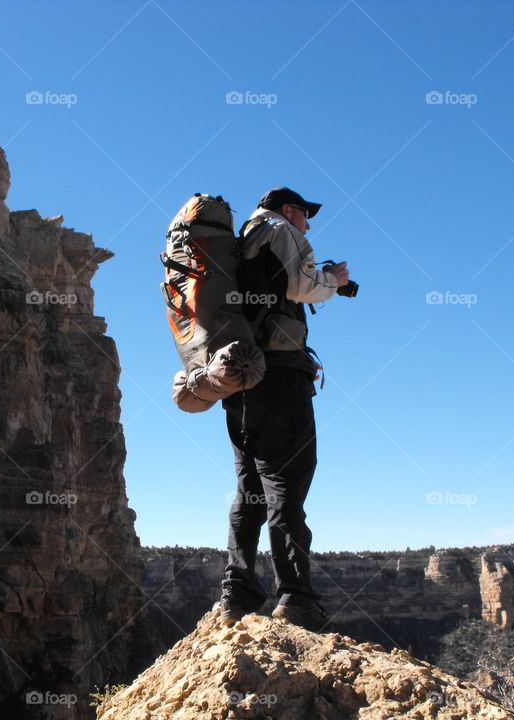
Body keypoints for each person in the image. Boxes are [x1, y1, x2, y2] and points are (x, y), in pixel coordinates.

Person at [218, 187, 350, 631]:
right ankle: (295, 599)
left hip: (238, 378)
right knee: (286, 484)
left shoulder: (240, 242)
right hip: (279, 377)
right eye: (306, 215)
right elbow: (303, 286)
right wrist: (336, 279)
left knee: (249, 487)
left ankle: (236, 594)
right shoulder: (279, 229)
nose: (308, 224)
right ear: (289, 209)